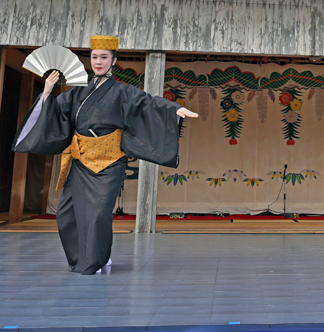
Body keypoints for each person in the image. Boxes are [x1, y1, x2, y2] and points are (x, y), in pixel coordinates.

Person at [13, 36, 198, 275]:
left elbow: (147, 103)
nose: (98, 62)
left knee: (99, 213)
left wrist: (174, 109)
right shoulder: (78, 92)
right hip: (81, 162)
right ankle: (82, 258)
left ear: (114, 60)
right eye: (94, 57)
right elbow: (57, 114)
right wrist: (47, 92)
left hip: (109, 162)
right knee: (66, 214)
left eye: (103, 57)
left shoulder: (123, 92)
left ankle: (96, 260)